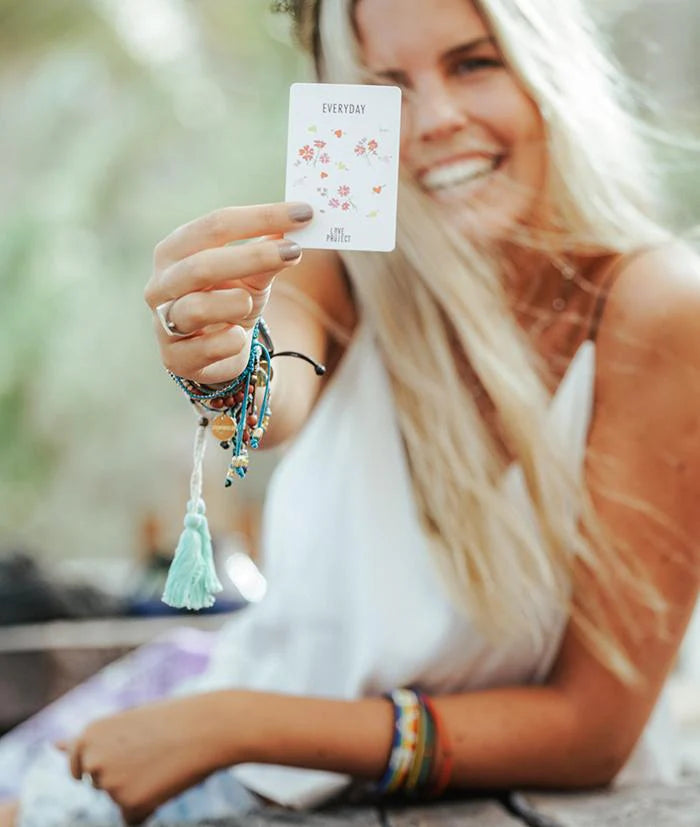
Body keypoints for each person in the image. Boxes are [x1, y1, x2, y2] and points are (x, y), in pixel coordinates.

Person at [2, 0, 699, 824]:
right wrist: (222, 363)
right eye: (386, 85)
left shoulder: (657, 307)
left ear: (554, 69)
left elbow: (593, 729)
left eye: (474, 63)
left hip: (270, 748)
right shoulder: (343, 264)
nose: (434, 119)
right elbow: (268, 399)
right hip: (213, 716)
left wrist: (237, 724)